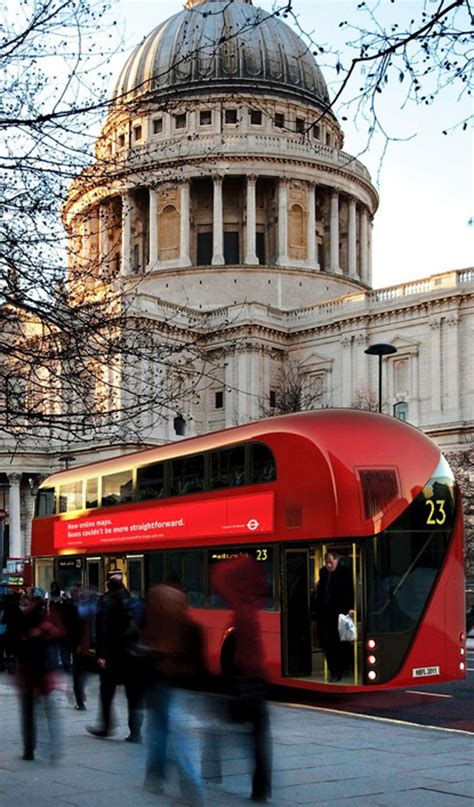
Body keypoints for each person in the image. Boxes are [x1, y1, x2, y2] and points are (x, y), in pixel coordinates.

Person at [212, 555, 272, 803]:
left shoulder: (242, 614)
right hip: (256, 683)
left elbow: (238, 656)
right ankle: (261, 785)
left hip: (247, 685)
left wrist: (229, 683)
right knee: (257, 737)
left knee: (250, 738)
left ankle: (258, 785)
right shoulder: (251, 608)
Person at [142, 583, 205, 805]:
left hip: (168, 688)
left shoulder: (158, 630)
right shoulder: (189, 628)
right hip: (176, 689)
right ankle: (162, 777)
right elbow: (199, 664)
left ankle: (186, 785)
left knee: (166, 735)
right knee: (165, 734)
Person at [87, 570, 144, 742]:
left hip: (112, 654)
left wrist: (99, 654)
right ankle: (135, 732)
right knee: (134, 695)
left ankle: (106, 726)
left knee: (106, 691)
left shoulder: (104, 602)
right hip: (133, 655)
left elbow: (101, 630)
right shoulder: (135, 600)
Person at [14, 588, 64, 761]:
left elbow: (20, 647)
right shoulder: (44, 620)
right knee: (48, 713)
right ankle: (52, 747)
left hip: (31, 675)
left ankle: (30, 749)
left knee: (30, 715)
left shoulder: (27, 622)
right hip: (43, 673)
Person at [311, 550, 355, 682]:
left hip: (340, 613)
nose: (329, 565)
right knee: (327, 644)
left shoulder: (344, 572)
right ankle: (334, 670)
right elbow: (320, 592)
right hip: (325, 614)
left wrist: (350, 609)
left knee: (340, 644)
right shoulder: (323, 572)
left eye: (331, 562)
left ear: (337, 560)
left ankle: (338, 671)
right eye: (327, 563)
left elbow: (349, 591)